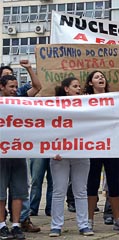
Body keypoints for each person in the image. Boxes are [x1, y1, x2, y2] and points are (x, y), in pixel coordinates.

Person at [48, 77, 94, 237]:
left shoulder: (87, 106)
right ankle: (56, 226)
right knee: (59, 191)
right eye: (75, 86)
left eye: (79, 86)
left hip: (81, 152)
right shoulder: (54, 106)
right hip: (60, 154)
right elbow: (49, 127)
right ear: (66, 89)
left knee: (81, 191)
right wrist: (53, 148)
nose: (78, 89)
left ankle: (83, 225)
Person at [0, 69, 42, 239]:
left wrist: (30, 69)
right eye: (11, 86)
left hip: (17, 154)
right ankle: (2, 225)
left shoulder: (20, 101)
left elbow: (37, 87)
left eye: (16, 86)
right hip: (1, 156)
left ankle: (16, 225)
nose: (14, 89)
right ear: (1, 87)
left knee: (19, 192)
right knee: (1, 193)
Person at [84, 70, 119, 231]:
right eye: (96, 77)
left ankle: (118, 219)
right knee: (92, 184)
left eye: (102, 76)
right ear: (90, 83)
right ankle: (89, 220)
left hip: (111, 146)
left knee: (114, 184)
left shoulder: (114, 99)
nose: (101, 78)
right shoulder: (84, 101)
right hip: (92, 147)